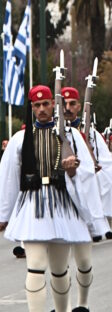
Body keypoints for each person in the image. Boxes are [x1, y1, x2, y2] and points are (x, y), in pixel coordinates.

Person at [0, 85, 95, 312]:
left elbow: (88, 173)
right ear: (32, 108)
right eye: (37, 105)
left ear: (53, 104)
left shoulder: (71, 136)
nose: (41, 109)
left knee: (60, 269)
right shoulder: (20, 139)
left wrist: (73, 170)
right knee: (36, 266)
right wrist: (3, 214)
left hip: (62, 205)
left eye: (45, 104)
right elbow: (8, 177)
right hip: (33, 205)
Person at [61, 86, 112, 311]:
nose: (68, 108)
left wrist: (90, 169)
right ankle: (61, 305)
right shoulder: (50, 131)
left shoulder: (90, 133)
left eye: (72, 104)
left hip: (82, 199)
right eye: (64, 104)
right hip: (59, 201)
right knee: (58, 264)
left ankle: (82, 304)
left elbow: (103, 164)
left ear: (79, 106)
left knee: (82, 261)